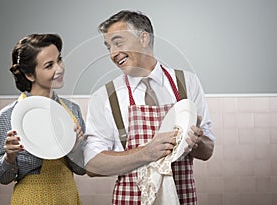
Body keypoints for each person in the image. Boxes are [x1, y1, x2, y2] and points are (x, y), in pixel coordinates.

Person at [83, 10, 215, 205]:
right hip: (130, 199)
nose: (112, 53)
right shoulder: (104, 96)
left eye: (118, 43)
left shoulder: (187, 82)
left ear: (144, 38)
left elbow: (208, 150)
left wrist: (196, 143)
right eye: (108, 46)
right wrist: (145, 153)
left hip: (181, 197)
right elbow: (92, 165)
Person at [0, 33, 86, 205]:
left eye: (59, 59)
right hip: (30, 198)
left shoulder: (73, 110)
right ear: (30, 74)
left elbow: (82, 169)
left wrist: (75, 149)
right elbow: (2, 177)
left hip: (68, 197)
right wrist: (9, 157)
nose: (59, 68)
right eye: (49, 65)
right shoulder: (9, 115)